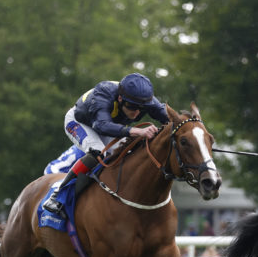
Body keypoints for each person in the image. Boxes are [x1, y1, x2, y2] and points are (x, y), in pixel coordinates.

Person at [43, 73, 170, 215]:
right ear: (120, 98)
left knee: (129, 153)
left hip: (110, 125)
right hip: (81, 122)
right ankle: (58, 196)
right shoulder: (104, 92)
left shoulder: (146, 100)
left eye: (141, 108)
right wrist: (136, 131)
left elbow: (171, 120)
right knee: (97, 152)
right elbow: (101, 125)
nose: (137, 112)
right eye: (132, 107)